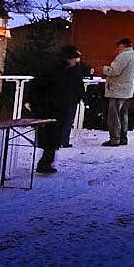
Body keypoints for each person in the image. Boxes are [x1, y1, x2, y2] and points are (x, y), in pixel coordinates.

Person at [32, 45, 83, 174]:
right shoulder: (57, 70)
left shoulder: (70, 70)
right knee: (52, 136)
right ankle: (45, 163)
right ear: (68, 58)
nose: (76, 61)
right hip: (51, 107)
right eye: (74, 58)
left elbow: (77, 88)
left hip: (60, 107)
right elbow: (41, 87)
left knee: (54, 136)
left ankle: (46, 162)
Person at [101, 37, 134, 147]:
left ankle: (115, 139)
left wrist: (105, 69)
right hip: (127, 90)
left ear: (123, 45)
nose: (118, 48)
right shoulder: (133, 55)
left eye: (119, 46)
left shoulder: (124, 55)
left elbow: (115, 71)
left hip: (118, 90)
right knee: (123, 115)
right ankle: (123, 137)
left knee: (114, 116)